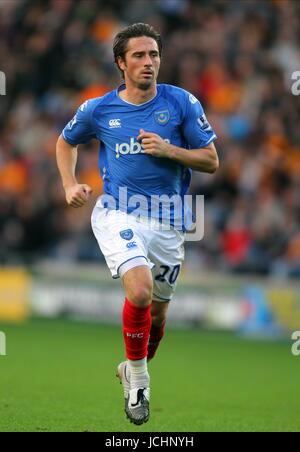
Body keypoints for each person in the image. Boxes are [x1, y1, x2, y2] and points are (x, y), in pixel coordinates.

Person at [56, 22, 218, 426]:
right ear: (121, 64)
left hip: (170, 221)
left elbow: (211, 161)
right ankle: (141, 383)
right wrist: (69, 183)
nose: (149, 62)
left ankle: (131, 367)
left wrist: (170, 150)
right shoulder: (98, 109)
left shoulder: (181, 102)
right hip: (117, 212)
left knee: (158, 318)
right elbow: (65, 142)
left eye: (154, 55)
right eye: (140, 56)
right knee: (141, 291)